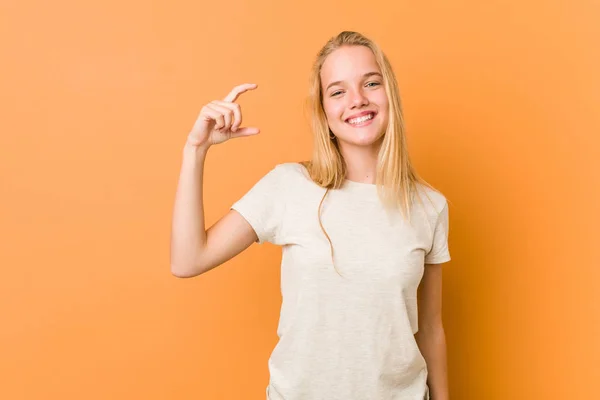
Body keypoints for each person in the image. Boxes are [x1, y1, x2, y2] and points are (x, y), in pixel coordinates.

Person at [170, 31, 451, 400]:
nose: (357, 100)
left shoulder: (429, 206)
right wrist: (196, 150)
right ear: (323, 111)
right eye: (337, 91)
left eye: (371, 82)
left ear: (390, 94)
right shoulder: (289, 186)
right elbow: (188, 259)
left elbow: (429, 328)